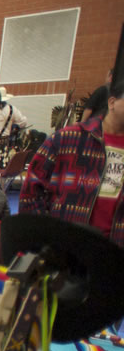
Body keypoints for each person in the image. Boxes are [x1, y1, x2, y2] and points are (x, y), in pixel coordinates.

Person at [20, 78, 124, 245]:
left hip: (115, 253)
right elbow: (31, 190)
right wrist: (40, 236)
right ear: (112, 102)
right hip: (65, 245)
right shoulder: (69, 138)